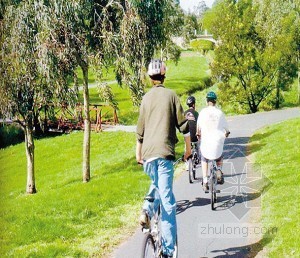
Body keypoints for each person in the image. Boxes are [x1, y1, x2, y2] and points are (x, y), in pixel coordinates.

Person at [136, 59, 191, 258]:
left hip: (148, 155)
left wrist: (138, 152)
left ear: (150, 78)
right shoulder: (171, 96)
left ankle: (147, 210)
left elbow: (140, 131)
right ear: (164, 75)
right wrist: (188, 149)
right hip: (164, 154)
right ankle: (168, 251)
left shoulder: (145, 99)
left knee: (157, 186)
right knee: (168, 202)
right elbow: (183, 126)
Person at [197, 91, 230, 191]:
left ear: (207, 101)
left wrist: (198, 135)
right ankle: (219, 169)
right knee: (219, 155)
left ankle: (205, 181)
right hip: (217, 141)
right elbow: (227, 129)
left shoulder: (202, 112)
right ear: (215, 102)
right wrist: (226, 134)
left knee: (204, 158)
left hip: (206, 142)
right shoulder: (220, 113)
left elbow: (198, 129)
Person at [184, 96, 200, 167]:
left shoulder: (184, 113)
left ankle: (187, 163)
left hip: (187, 137)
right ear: (193, 104)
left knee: (187, 146)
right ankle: (198, 157)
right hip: (195, 137)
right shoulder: (196, 113)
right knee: (197, 145)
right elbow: (199, 125)